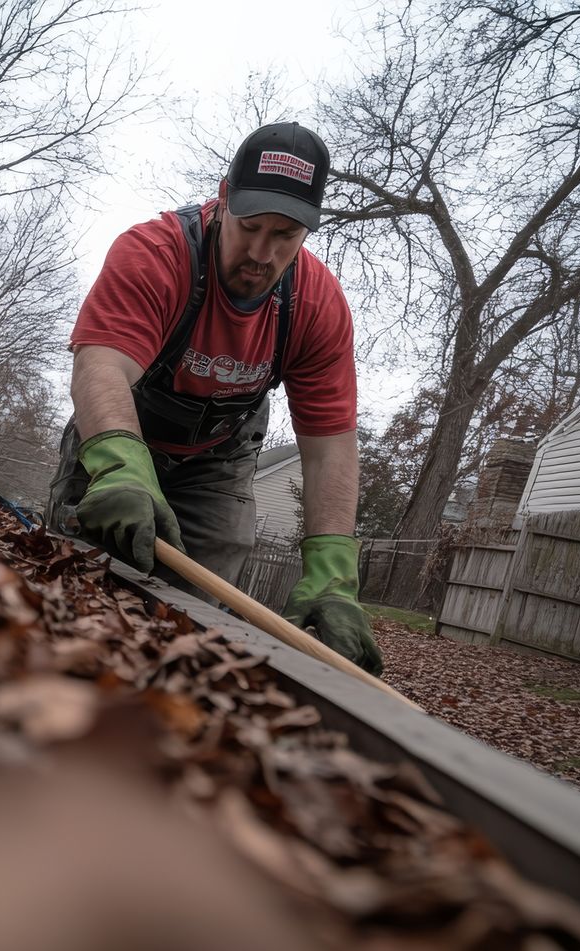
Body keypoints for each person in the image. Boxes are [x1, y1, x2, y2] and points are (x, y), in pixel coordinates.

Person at [46, 122, 383, 675]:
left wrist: (333, 572)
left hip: (219, 460)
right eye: (250, 226)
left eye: (285, 236)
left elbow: (330, 449)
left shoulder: (317, 306)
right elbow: (100, 365)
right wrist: (120, 468)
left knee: (190, 619)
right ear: (223, 199)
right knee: (80, 577)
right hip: (122, 430)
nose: (260, 252)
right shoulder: (155, 253)